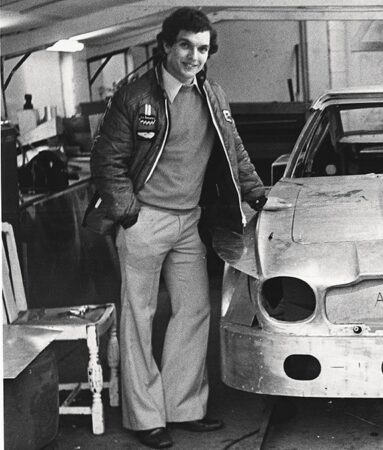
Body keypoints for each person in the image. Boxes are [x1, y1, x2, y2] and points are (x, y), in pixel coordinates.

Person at [85, 7, 267, 449]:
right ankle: (145, 418)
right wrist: (130, 213)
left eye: (202, 48)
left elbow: (233, 149)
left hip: (190, 223)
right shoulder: (134, 97)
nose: (193, 56)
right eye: (185, 45)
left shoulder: (213, 96)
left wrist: (258, 193)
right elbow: (106, 161)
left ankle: (182, 408)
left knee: (193, 309)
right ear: (166, 45)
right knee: (139, 316)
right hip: (145, 220)